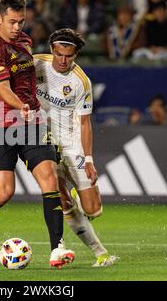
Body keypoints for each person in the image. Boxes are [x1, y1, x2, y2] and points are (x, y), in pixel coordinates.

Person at [0, 0, 75, 268]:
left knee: (49, 177)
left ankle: (57, 249)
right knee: (4, 192)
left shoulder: (25, 40)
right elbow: (2, 88)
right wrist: (20, 105)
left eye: (21, 21)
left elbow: (28, 77)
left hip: (31, 122)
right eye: (12, 22)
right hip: (0, 125)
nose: (17, 27)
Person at [34, 28, 119, 267]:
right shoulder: (35, 64)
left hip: (71, 143)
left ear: (76, 54)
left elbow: (85, 123)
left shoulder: (81, 81)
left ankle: (78, 194)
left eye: (68, 56)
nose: (62, 60)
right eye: (59, 54)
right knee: (61, 200)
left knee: (93, 209)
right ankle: (100, 252)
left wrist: (89, 159)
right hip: (44, 143)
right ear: (52, 50)